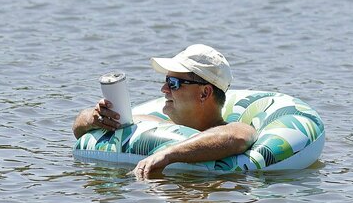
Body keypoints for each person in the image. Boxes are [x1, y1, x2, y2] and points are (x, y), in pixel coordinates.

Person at [72, 44, 256, 179]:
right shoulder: (157, 125)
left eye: (173, 84)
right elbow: (79, 129)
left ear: (204, 93)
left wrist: (167, 154)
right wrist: (95, 118)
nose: (164, 89)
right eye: (166, 80)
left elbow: (235, 138)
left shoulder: (235, 128)